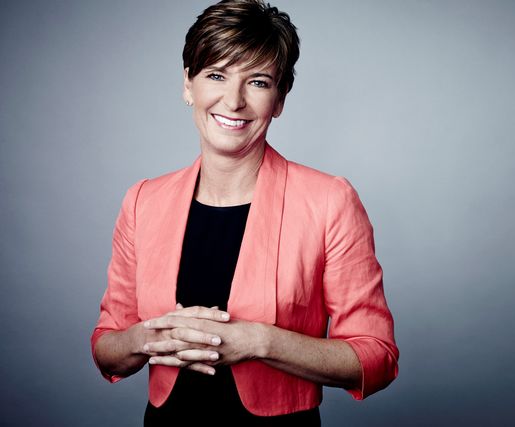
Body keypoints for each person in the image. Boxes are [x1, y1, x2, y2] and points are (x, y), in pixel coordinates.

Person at [91, 0, 398, 424]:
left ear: (279, 99)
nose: (233, 101)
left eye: (257, 81)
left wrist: (259, 342)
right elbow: (106, 346)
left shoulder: (330, 201)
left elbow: (376, 357)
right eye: (216, 75)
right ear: (188, 85)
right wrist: (148, 338)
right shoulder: (144, 200)